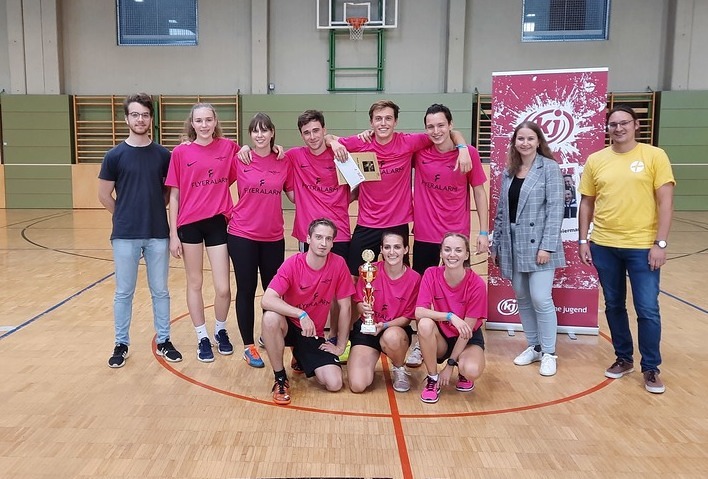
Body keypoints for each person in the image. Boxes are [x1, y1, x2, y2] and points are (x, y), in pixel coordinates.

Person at [578, 105, 675, 394]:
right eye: (613, 124)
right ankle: (624, 358)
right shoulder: (596, 160)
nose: (618, 128)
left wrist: (660, 243)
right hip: (604, 245)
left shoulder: (654, 156)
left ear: (636, 125)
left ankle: (651, 367)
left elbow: (666, 202)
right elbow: (586, 202)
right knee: (614, 305)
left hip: (643, 247)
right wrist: (583, 240)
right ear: (607, 128)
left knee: (647, 309)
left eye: (624, 123)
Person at [326, 100, 473, 276]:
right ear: (371, 123)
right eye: (378, 119)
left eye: (388, 118)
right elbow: (328, 138)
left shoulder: (408, 142)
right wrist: (335, 143)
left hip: (397, 223)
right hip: (367, 222)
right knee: (354, 274)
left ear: (396, 121)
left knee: (402, 276)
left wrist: (463, 148)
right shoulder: (361, 142)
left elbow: (447, 132)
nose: (383, 123)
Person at [98, 93, 182, 368]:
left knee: (160, 291)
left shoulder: (163, 155)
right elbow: (104, 195)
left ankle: (164, 340)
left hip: (158, 233)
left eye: (145, 115)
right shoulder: (114, 156)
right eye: (135, 114)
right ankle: (121, 343)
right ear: (127, 119)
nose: (140, 119)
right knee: (124, 292)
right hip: (125, 236)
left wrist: (154, 210)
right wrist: (124, 215)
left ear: (151, 119)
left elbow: (169, 193)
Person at [405, 103, 489, 368]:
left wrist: (483, 231)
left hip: (456, 236)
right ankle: (421, 342)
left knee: (460, 290)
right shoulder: (420, 152)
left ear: (451, 125)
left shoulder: (469, 154)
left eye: (441, 125)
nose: (436, 131)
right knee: (422, 292)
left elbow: (479, 192)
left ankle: (463, 341)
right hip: (425, 235)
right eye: (430, 126)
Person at [490, 121, 565, 377]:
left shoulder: (549, 168)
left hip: (538, 244)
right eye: (520, 138)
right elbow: (502, 211)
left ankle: (549, 352)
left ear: (538, 141)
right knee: (522, 297)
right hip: (512, 243)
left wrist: (547, 246)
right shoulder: (509, 171)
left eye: (530, 138)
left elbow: (556, 209)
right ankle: (534, 346)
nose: (525, 143)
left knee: (541, 298)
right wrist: (497, 244)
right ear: (514, 142)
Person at [166, 103, 238, 362]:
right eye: (199, 120)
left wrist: (275, 148)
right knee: (195, 282)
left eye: (208, 119)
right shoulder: (180, 152)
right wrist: (173, 234)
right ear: (192, 123)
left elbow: (252, 157)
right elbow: (174, 195)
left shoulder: (229, 148)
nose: (204, 125)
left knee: (223, 288)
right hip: (189, 224)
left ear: (215, 121)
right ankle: (202, 337)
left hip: (217, 222)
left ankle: (220, 330)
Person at [261, 218, 356, 405]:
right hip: (289, 325)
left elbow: (345, 307)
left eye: (328, 239)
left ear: (333, 243)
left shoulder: (338, 264)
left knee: (335, 383)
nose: (323, 243)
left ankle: (299, 356)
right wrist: (301, 314)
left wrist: (340, 345)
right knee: (270, 318)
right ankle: (280, 379)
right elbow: (267, 299)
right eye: (318, 237)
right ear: (308, 239)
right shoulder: (292, 264)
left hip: (311, 333)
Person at [227, 113, 293, 368]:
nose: (260, 135)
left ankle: (268, 334)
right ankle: (248, 346)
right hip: (242, 234)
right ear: (250, 135)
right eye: (255, 131)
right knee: (246, 289)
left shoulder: (283, 161)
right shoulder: (240, 159)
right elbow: (217, 181)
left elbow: (294, 194)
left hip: (273, 236)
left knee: (272, 291)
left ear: (272, 132)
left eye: (265, 130)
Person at [416, 233, 487, 404]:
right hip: (443, 336)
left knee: (471, 370)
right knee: (424, 324)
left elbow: (466, 331)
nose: (452, 254)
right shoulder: (431, 274)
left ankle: (461, 370)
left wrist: (449, 365)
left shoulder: (477, 284)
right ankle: (432, 379)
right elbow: (419, 312)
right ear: (441, 253)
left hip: (467, 338)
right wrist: (450, 316)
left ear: (466, 255)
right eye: (447, 250)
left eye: (458, 250)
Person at [348, 231, 421, 393]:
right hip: (367, 330)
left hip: (393, 329)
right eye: (387, 247)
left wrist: (384, 325)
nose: (392, 252)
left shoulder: (414, 278)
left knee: (392, 337)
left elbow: (407, 318)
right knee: (358, 385)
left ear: (406, 249)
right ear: (381, 249)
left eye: (397, 247)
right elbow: (359, 302)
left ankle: (399, 367)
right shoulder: (368, 270)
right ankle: (368, 362)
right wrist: (363, 308)